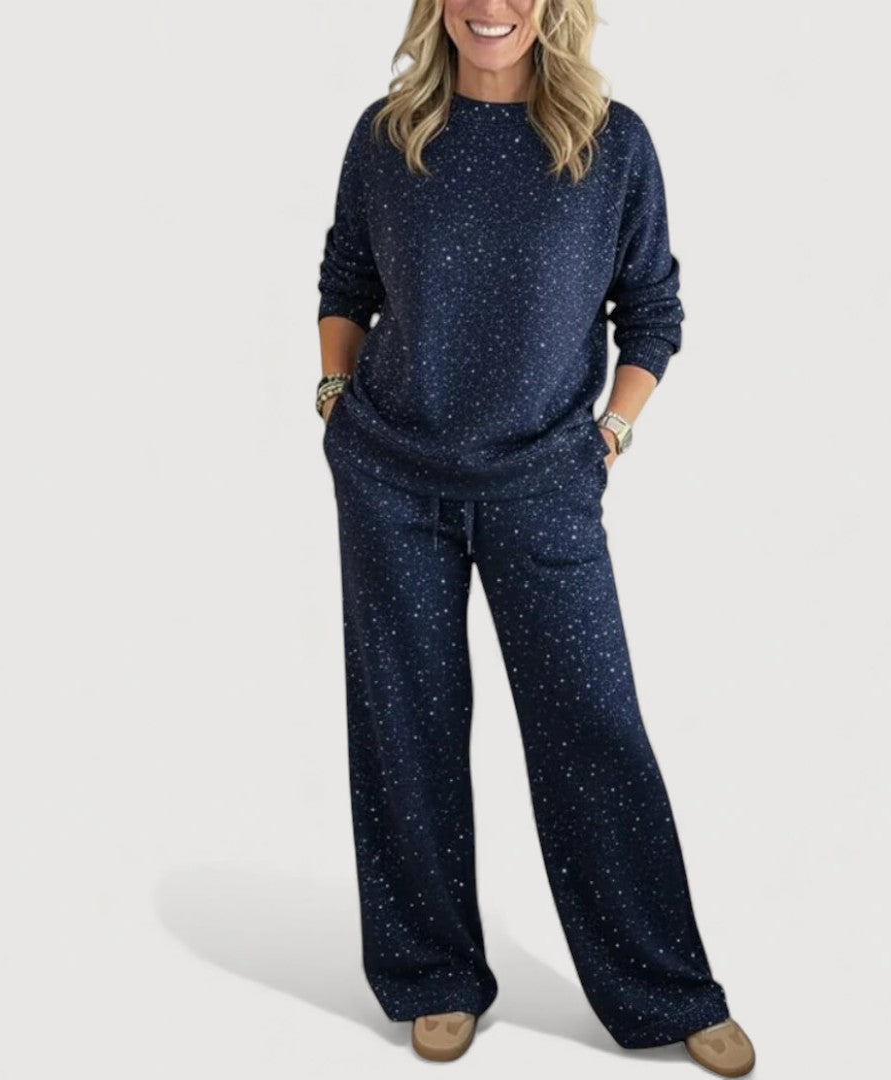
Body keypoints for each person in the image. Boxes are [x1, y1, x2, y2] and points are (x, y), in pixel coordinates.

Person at [316, 2, 756, 1075]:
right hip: (391, 478)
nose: (491, 6)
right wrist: (333, 397)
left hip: (544, 484)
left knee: (593, 728)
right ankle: (432, 976)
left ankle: (664, 989)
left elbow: (652, 310)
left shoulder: (612, 145)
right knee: (406, 729)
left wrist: (614, 432)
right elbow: (346, 281)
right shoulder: (387, 137)